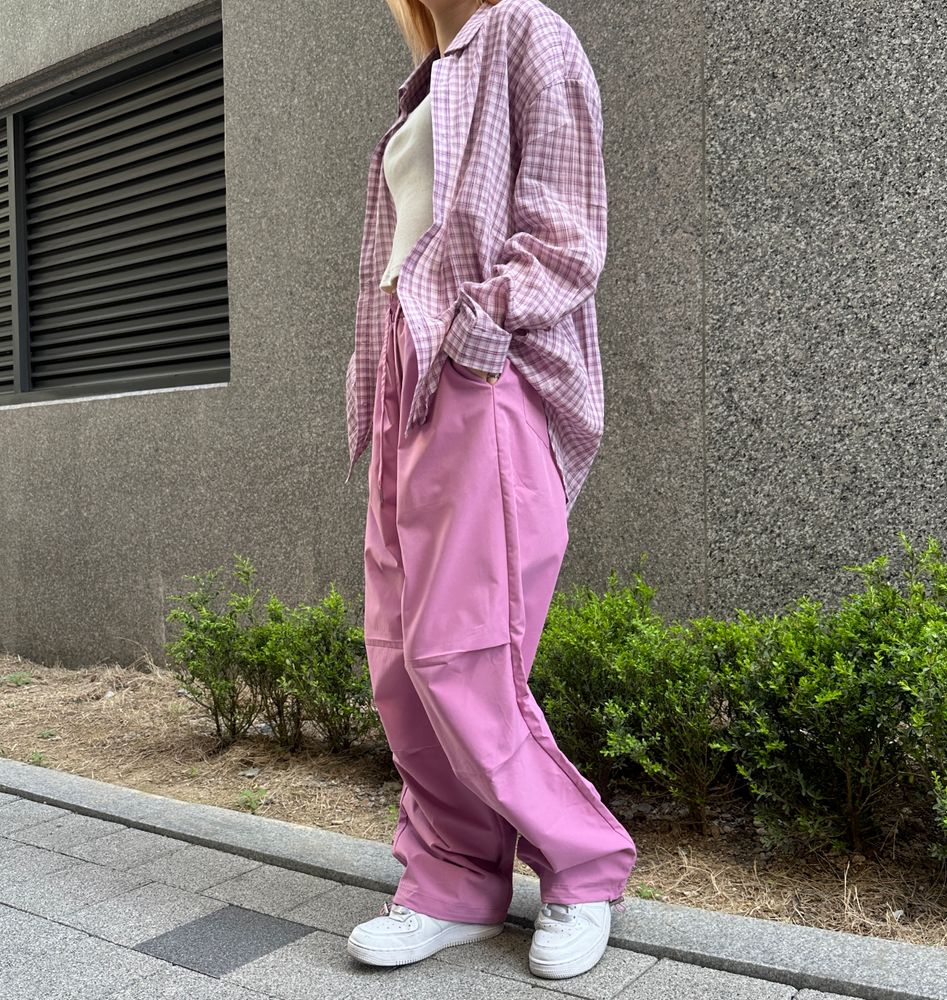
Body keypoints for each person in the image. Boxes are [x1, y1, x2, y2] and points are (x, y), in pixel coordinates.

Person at [344, 0, 637, 981]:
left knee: (462, 651)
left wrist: (482, 330)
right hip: (409, 377)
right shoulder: (429, 76)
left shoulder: (524, 31)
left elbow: (566, 228)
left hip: (478, 375)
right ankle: (454, 880)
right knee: (398, 658)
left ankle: (582, 866)